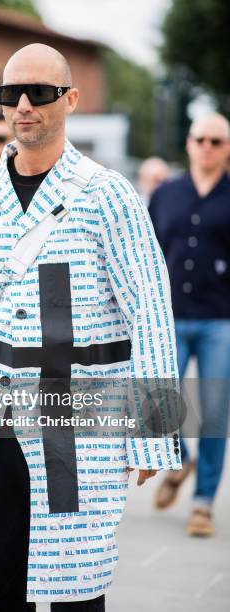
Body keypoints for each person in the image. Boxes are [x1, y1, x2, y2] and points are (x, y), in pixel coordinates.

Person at [0, 44, 181, 610]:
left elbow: (149, 308)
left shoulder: (108, 195)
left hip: (83, 417)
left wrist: (156, 431)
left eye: (41, 93)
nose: (24, 105)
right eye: (11, 94)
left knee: (79, 588)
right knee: (2, 585)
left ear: (70, 100)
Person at [149, 112, 230, 537]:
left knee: (214, 414)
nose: (208, 147)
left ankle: (202, 503)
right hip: (170, 316)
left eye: (217, 141)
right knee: (158, 400)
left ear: (227, 148)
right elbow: (146, 252)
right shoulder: (166, 194)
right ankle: (179, 459)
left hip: (221, 319)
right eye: (201, 139)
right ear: (188, 143)